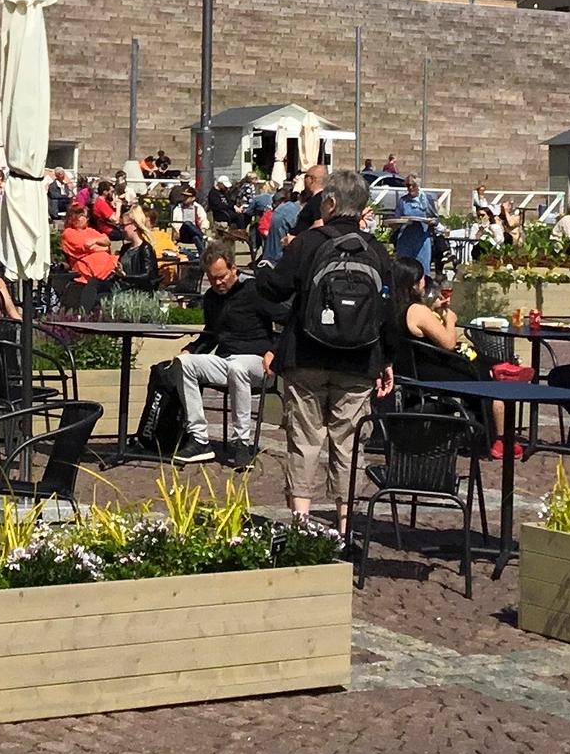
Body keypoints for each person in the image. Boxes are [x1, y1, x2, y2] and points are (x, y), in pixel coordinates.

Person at [256, 168, 396, 536]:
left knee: (305, 439)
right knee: (348, 442)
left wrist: (264, 267)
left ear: (330, 202)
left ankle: (301, 524)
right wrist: (387, 360)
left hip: (306, 355)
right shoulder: (377, 251)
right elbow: (390, 312)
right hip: (360, 359)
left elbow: (275, 289)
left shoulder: (309, 241)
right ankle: (346, 525)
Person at [389, 255, 512, 454]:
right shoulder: (417, 310)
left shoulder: (392, 307)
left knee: (483, 367)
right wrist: (450, 319)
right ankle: (494, 438)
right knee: (485, 375)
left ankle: (489, 429)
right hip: (430, 371)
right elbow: (448, 343)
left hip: (410, 368)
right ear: (413, 283)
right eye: (422, 278)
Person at [172, 243, 279, 468]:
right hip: (227, 360)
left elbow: (287, 323)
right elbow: (211, 334)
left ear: (233, 268)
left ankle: (242, 442)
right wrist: (191, 350)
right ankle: (199, 439)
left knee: (237, 366)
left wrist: (274, 351)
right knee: (183, 363)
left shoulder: (254, 290)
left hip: (259, 363)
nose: (218, 283)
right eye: (212, 279)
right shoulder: (212, 297)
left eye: (221, 277)